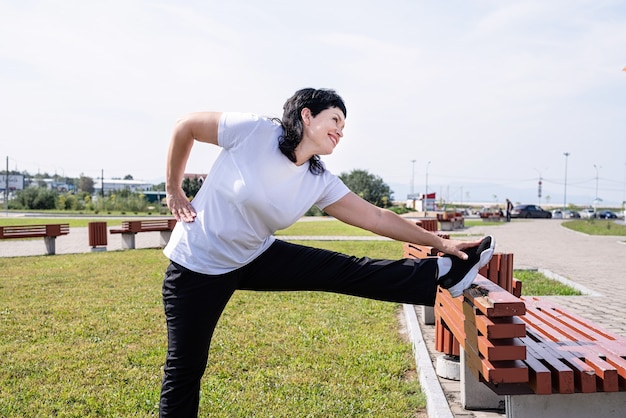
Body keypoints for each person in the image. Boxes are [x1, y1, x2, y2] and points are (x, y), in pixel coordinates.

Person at [160, 88, 495, 417]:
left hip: (252, 256)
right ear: (307, 116)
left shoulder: (317, 178)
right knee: (186, 369)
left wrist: (442, 244)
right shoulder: (255, 131)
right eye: (335, 119)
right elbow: (185, 125)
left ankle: (441, 271)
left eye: (344, 127)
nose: (340, 131)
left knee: (343, 269)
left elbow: (377, 216)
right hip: (196, 267)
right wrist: (174, 188)